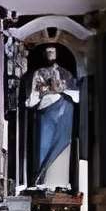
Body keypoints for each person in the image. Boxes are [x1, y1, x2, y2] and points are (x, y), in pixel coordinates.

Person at [25, 43, 79, 190]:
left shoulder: (65, 73)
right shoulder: (39, 73)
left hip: (64, 111)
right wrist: (46, 90)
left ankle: (60, 182)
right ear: (44, 54)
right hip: (45, 113)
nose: (50, 53)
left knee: (63, 143)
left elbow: (76, 93)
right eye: (47, 51)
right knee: (43, 144)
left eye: (52, 51)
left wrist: (61, 88)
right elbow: (32, 99)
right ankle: (41, 181)